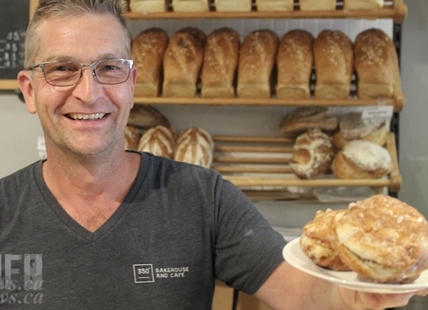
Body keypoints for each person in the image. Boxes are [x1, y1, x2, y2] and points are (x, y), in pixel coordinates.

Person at [0, 0, 425, 308]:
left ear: (131, 87)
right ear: (29, 90)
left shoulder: (204, 197)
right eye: (61, 70)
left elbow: (301, 291)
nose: (89, 93)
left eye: (109, 69)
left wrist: (356, 295)